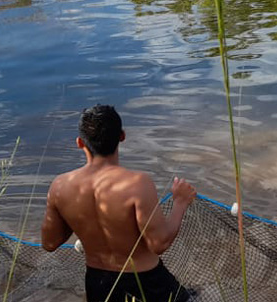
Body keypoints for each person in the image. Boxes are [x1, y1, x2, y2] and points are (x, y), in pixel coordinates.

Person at [41, 105, 198, 302]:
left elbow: (49, 243)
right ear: (122, 136)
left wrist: (77, 219)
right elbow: (159, 243)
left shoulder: (60, 186)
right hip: (147, 283)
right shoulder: (137, 183)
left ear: (80, 143)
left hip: (98, 284)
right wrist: (180, 202)